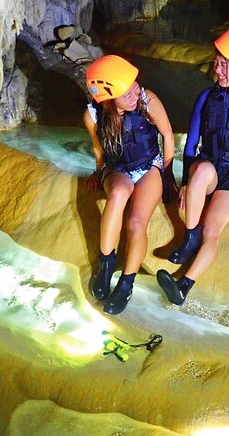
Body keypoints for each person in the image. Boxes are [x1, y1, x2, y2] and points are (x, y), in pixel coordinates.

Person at [156, 28, 229, 305]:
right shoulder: (206, 97)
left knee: (212, 231)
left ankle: (183, 287)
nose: (217, 69)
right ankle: (189, 238)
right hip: (210, 165)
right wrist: (186, 181)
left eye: (224, 65)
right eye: (217, 62)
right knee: (200, 173)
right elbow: (191, 145)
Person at [84, 55, 176, 315]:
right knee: (117, 196)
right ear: (109, 99)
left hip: (149, 166)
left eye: (135, 84)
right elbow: (98, 147)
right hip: (119, 168)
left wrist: (167, 175)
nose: (135, 93)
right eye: (127, 93)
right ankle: (106, 264)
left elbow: (168, 135)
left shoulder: (148, 101)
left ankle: (126, 283)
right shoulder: (93, 115)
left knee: (136, 222)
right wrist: (98, 170)